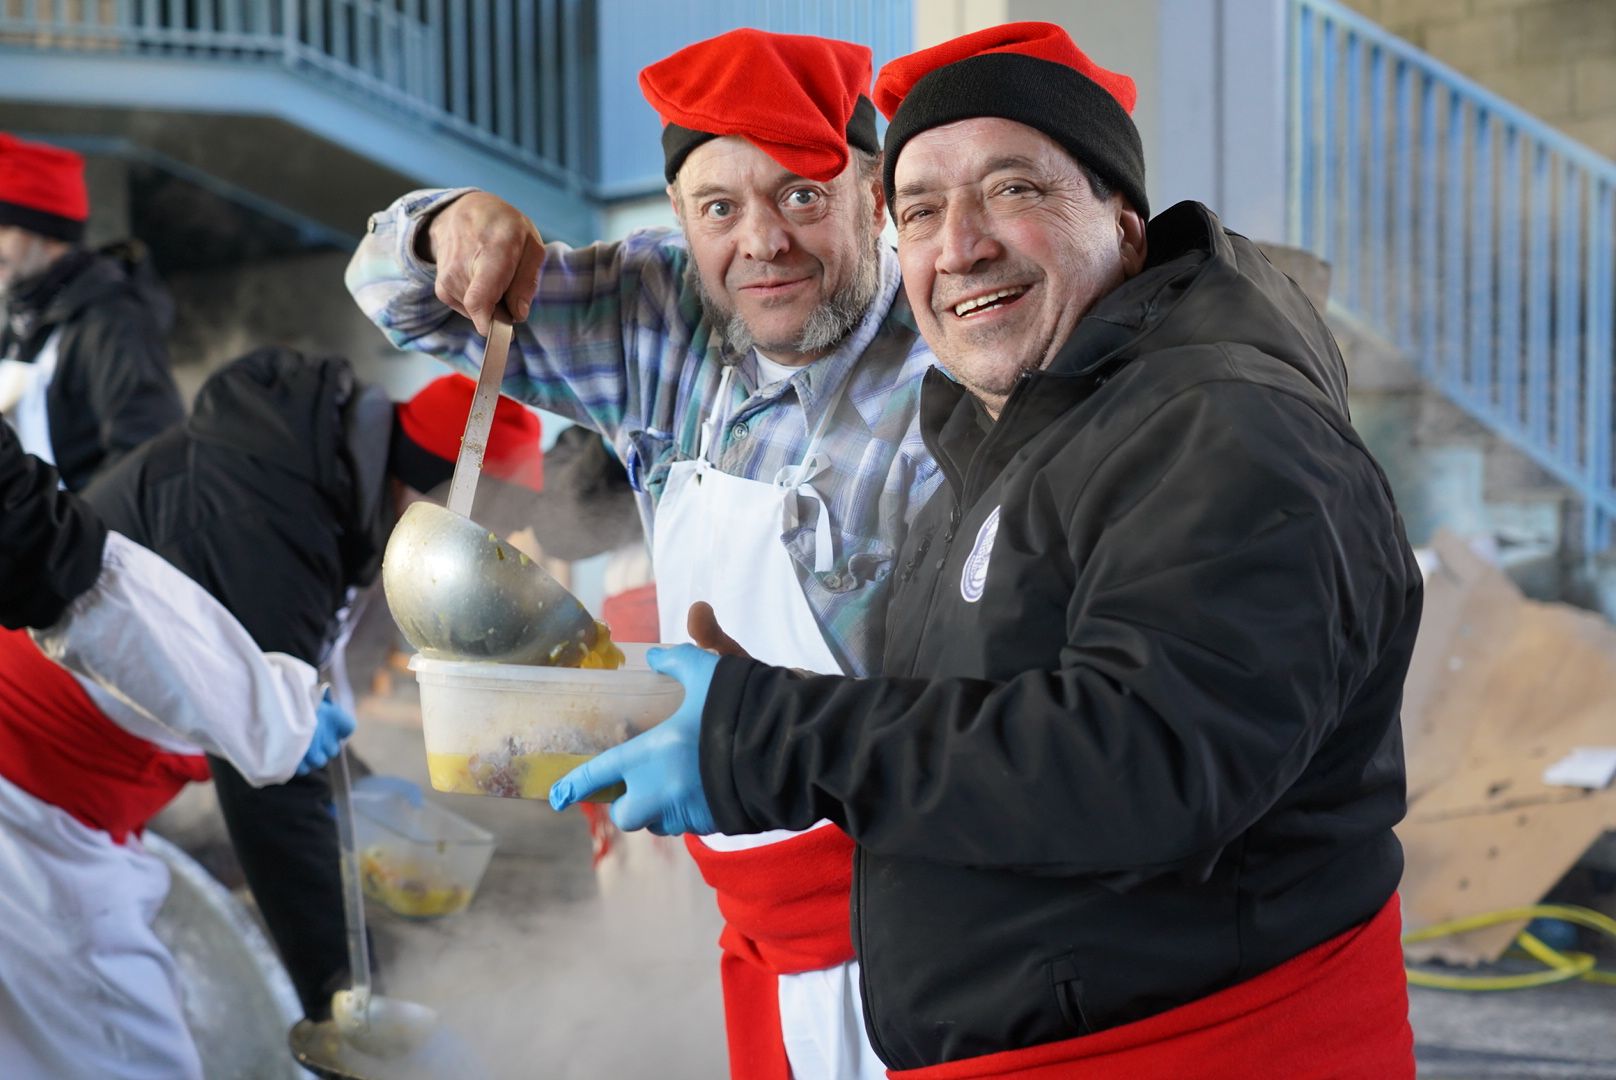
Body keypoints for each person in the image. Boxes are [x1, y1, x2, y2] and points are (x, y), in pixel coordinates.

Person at [553, 22, 1423, 1079]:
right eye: (921, 210)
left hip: (1192, 1047)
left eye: (1012, 190)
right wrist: (767, 695)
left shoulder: (1224, 427)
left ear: (1125, 224)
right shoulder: (1010, 430)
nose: (958, 245)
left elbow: (1144, 759)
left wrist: (769, 736)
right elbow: (992, 707)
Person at [347, 28, 940, 1080]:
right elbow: (397, 297)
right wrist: (448, 222)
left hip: (921, 905)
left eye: (800, 194)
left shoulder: (946, 358)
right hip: (740, 889)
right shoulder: (656, 320)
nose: (762, 242)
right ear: (679, 217)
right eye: (720, 207)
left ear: (871, 191)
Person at [77, 352, 544, 1027]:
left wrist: (353, 783)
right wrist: (348, 1001)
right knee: (123, 1045)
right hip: (39, 774)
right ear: (429, 497)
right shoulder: (268, 513)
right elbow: (268, 771)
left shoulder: (325, 489)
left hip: (103, 792)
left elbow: (290, 705)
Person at [0, 417, 353, 1079]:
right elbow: (48, 554)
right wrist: (278, 720)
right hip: (30, 812)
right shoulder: (254, 525)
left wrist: (292, 726)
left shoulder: (281, 493)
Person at [0, 132, 182, 489]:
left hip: (81, 536)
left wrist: (74, 533)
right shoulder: (22, 318)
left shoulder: (114, 319)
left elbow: (146, 452)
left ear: (50, 235)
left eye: (4, 228)